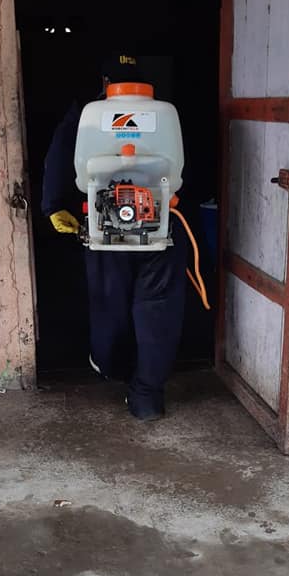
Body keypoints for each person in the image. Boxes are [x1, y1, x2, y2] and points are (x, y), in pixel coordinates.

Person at [41, 53, 187, 421]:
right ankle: (146, 399)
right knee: (157, 312)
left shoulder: (88, 114)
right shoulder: (166, 114)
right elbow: (182, 170)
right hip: (160, 227)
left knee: (109, 305)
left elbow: (60, 156)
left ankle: (111, 366)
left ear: (106, 84)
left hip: (104, 230)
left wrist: (53, 206)